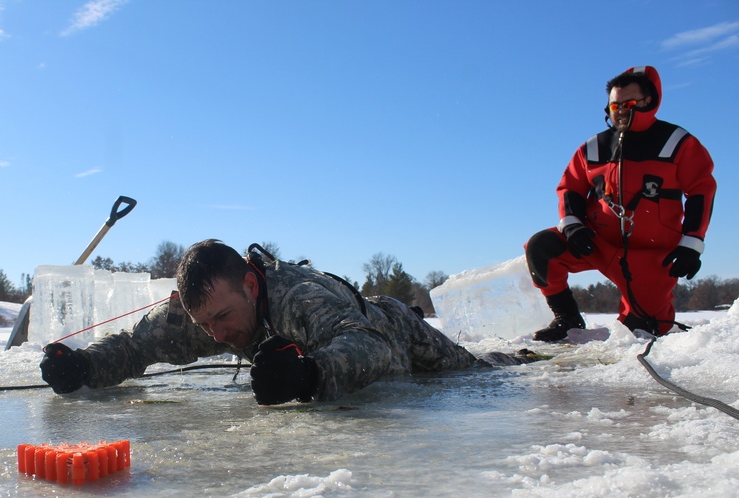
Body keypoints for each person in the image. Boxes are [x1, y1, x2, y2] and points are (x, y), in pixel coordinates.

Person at [39, 240, 527, 404]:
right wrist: (82, 366)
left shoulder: (297, 298)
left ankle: (519, 352)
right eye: (204, 324)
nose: (217, 335)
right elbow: (134, 346)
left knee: (479, 370)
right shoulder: (206, 313)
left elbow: (372, 347)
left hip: (398, 331)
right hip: (348, 336)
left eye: (223, 318)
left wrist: (309, 374)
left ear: (251, 287)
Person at [525, 65, 716, 341]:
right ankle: (566, 319)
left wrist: (691, 244)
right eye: (615, 106)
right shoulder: (593, 148)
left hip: (651, 255)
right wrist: (573, 226)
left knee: (644, 332)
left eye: (628, 104)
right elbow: (570, 188)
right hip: (596, 242)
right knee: (541, 247)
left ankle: (652, 323)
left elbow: (702, 191)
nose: (621, 111)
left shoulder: (678, 143)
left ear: (649, 101)